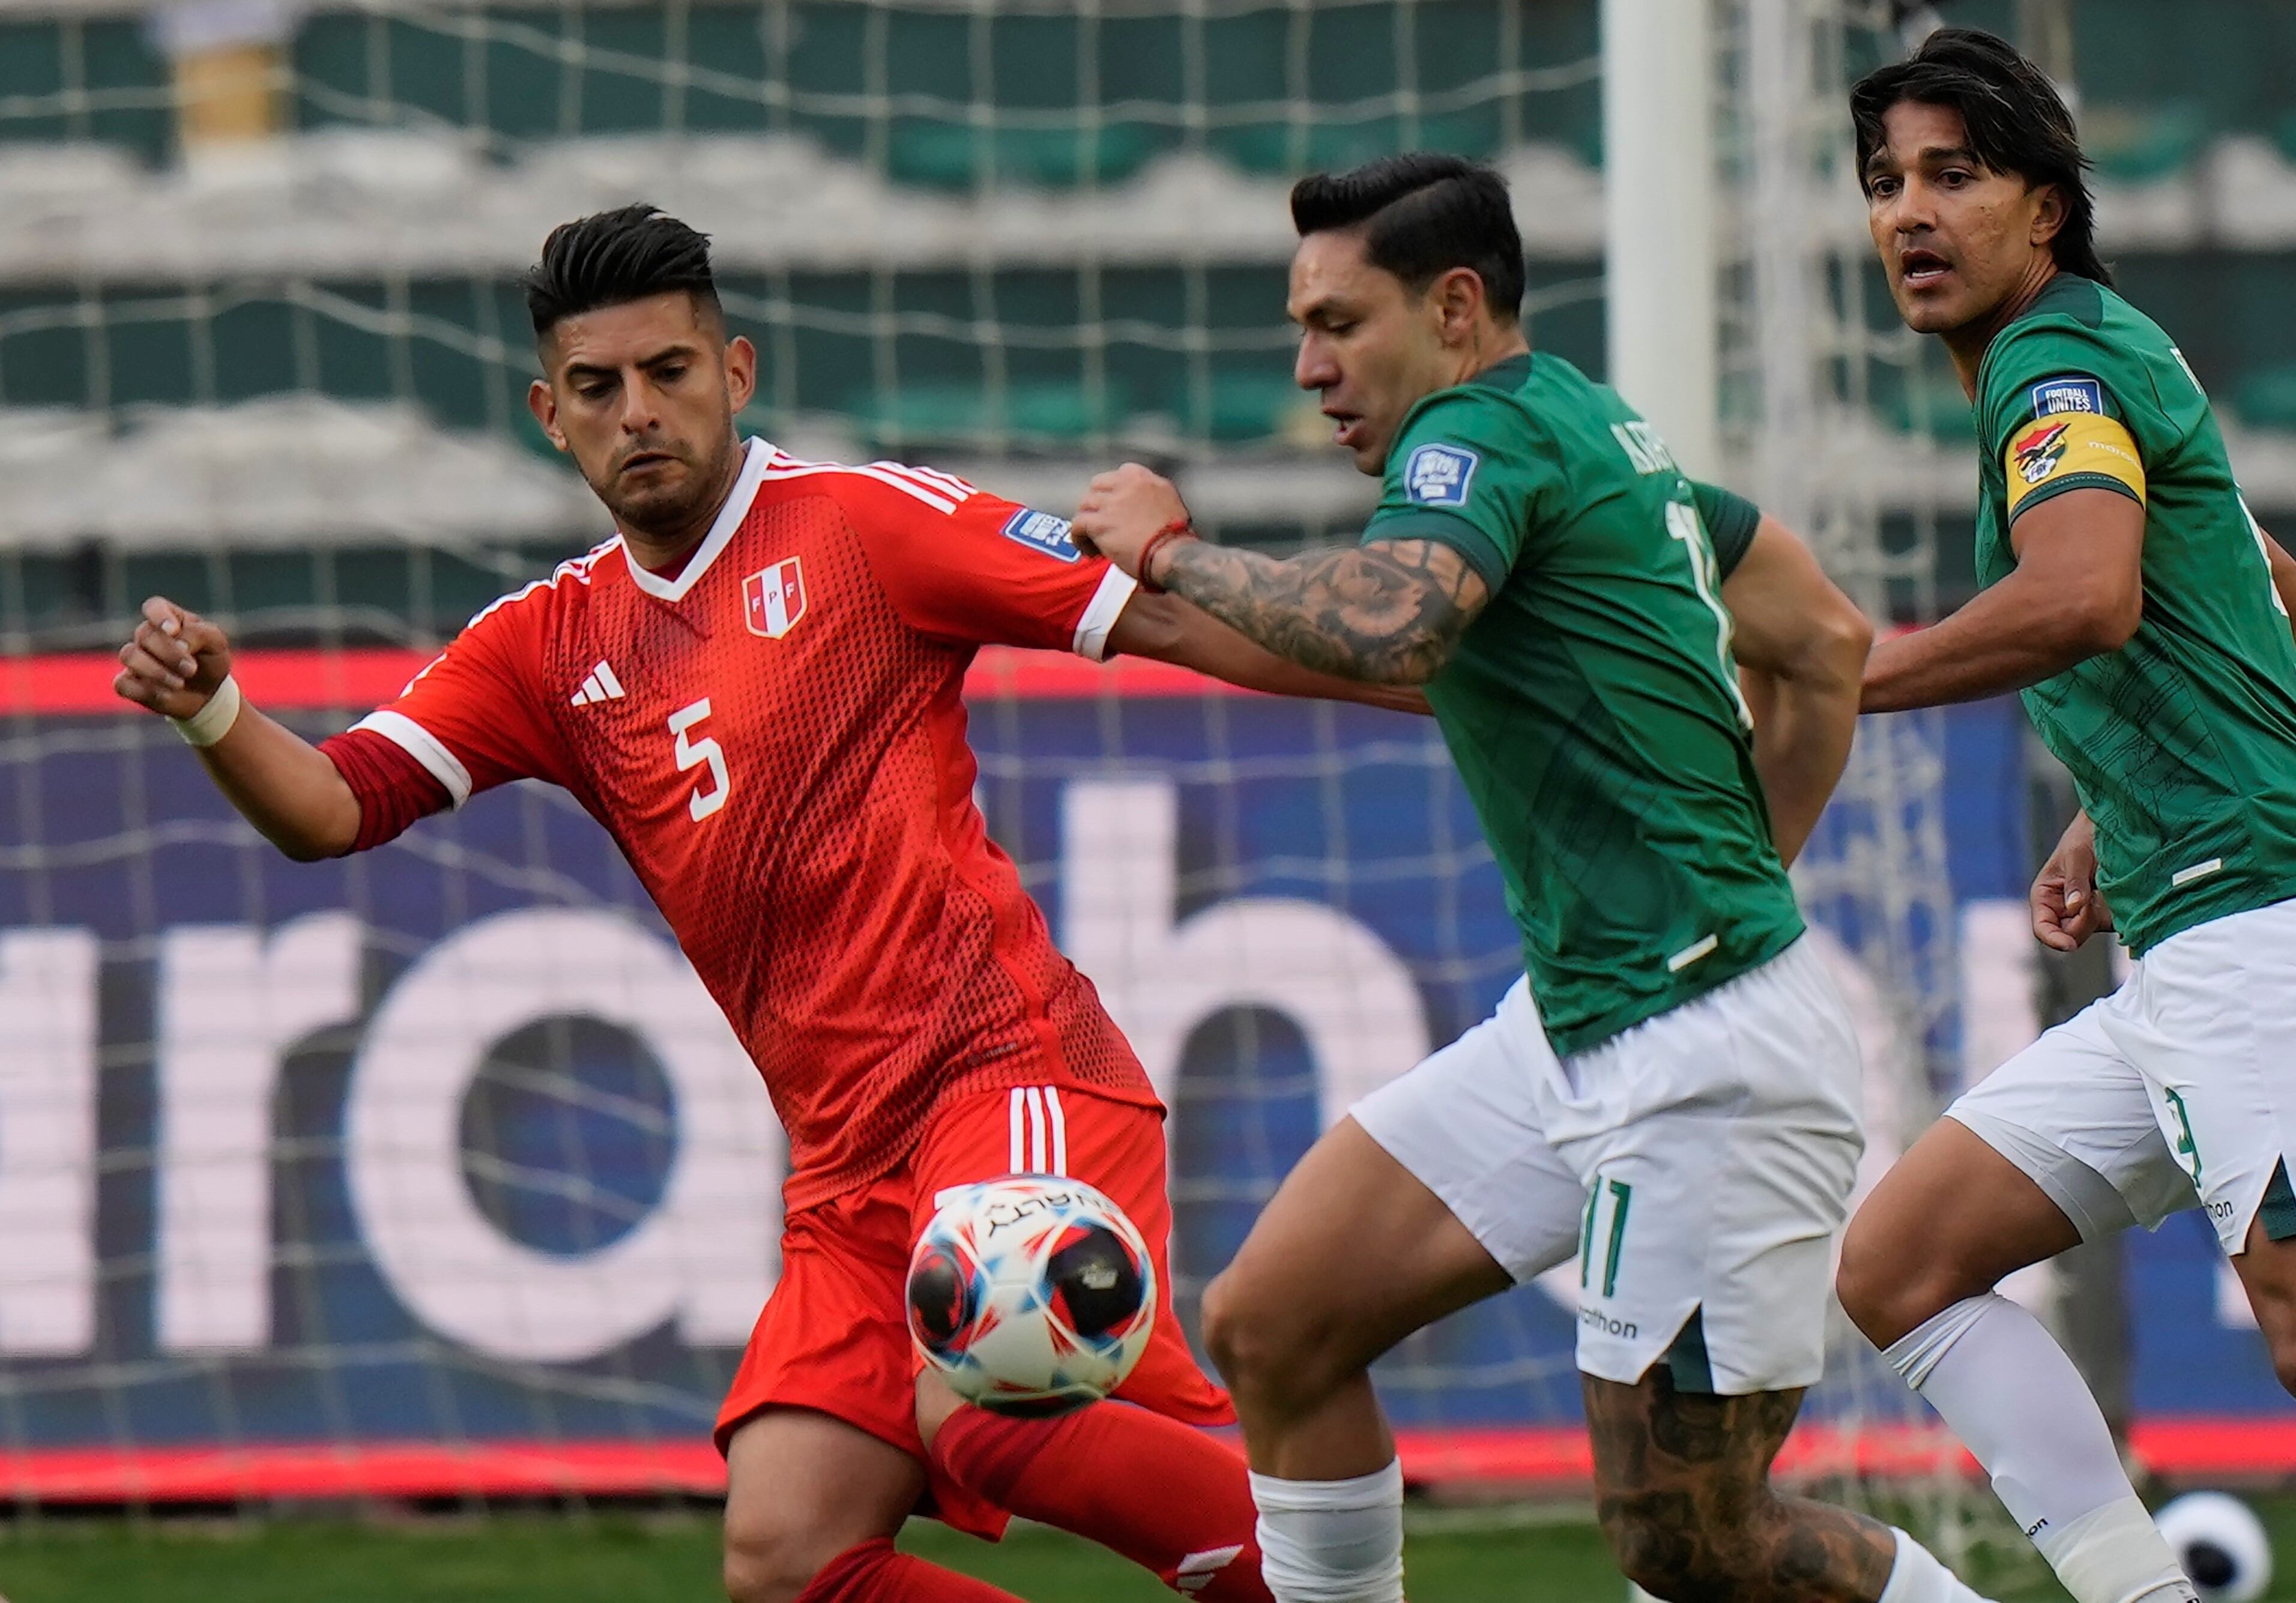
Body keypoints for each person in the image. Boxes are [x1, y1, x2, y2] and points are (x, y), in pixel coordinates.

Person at [108, 204, 1428, 1603]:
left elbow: (1161, 618)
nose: (641, 413)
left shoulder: (865, 526)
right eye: (601, 389)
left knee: (988, 1405)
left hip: (1002, 1073)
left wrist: (1429, 677)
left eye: (670, 372)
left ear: (735, 372)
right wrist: (214, 710)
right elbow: (331, 807)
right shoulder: (545, 644)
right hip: (844, 1169)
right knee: (786, 1559)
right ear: (549, 416)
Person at [1073, 154, 1993, 1603]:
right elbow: (1817, 637)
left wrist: (1173, 553)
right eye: (1298, 327)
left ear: (1452, 307)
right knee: (1277, 1319)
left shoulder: (1478, 444)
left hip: (1704, 1068)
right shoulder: (1586, 423)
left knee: (1694, 1545)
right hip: (1579, 1023)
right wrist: (1739, 872)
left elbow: (1386, 628)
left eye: (1337, 321)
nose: (1310, 368)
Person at [1832, 29, 2296, 1603]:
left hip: (2263, 928)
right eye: (1886, 184)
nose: (1910, 214)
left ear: (2047, 205)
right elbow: (2285, 605)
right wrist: (2111, 800)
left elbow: (2083, 598)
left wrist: (1851, 681)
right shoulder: (2097, 357)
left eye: (1955, 174)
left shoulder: (2051, 364)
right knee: (1901, 1261)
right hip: (2208, 927)